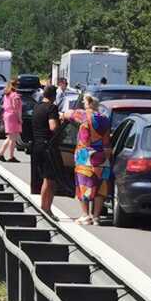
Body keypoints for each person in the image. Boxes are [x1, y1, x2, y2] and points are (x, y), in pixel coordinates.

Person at [61, 94, 112, 225]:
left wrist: (62, 115)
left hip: (85, 157)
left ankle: (85, 215)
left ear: (87, 104)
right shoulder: (105, 118)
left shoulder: (83, 115)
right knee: (100, 187)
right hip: (103, 157)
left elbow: (68, 114)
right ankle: (96, 217)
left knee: (83, 185)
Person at [33, 85, 61, 217]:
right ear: (54, 96)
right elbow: (53, 126)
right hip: (48, 147)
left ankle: (45, 208)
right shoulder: (52, 107)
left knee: (46, 178)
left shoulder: (37, 107)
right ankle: (45, 208)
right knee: (49, 179)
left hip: (37, 145)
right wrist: (60, 122)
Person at [0, 79, 23, 162]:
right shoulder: (15, 95)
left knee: (10, 137)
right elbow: (16, 108)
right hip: (13, 116)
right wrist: (19, 118)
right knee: (12, 137)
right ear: (15, 86)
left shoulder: (6, 95)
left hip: (7, 115)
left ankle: (1, 153)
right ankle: (9, 156)